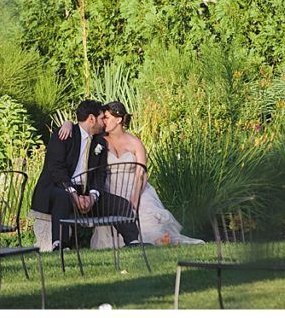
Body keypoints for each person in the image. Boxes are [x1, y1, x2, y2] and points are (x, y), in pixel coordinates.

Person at [56, 101, 204, 247]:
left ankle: (157, 239)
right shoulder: (98, 140)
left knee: (145, 211)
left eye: (106, 117)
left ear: (119, 119)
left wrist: (136, 195)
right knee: (116, 206)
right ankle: (135, 240)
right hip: (111, 188)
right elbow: (82, 128)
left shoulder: (134, 142)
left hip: (135, 186)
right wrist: (68, 123)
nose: (103, 121)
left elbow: (142, 171)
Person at [31, 99, 140, 250]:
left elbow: (100, 174)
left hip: (85, 193)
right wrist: (73, 193)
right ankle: (60, 245)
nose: (104, 122)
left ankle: (134, 242)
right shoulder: (64, 135)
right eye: (102, 118)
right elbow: (56, 169)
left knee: (120, 204)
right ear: (91, 119)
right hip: (57, 189)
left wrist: (93, 197)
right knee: (63, 198)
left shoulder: (100, 142)